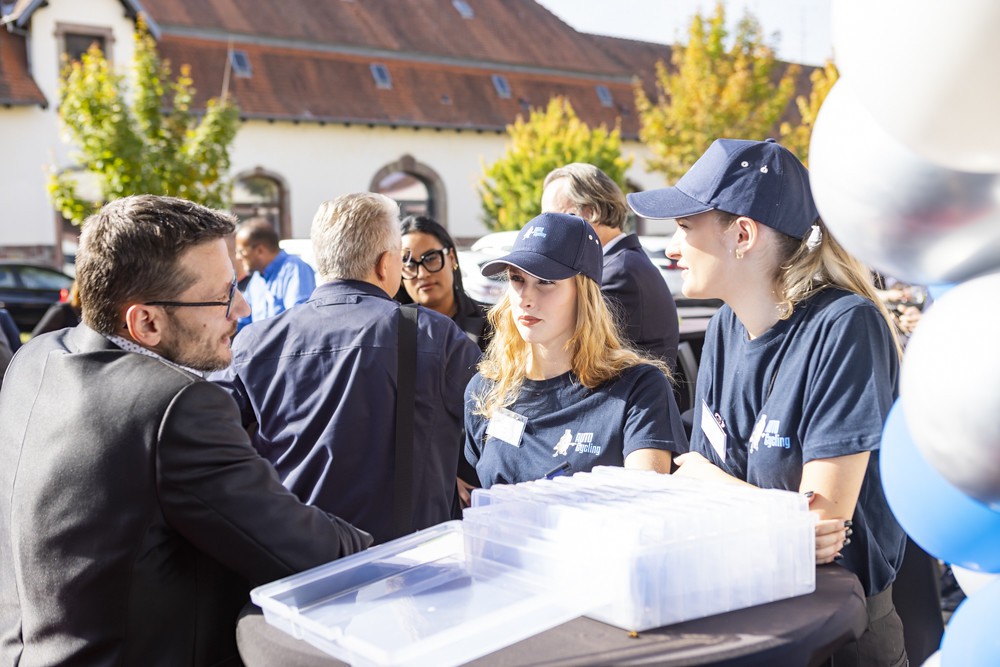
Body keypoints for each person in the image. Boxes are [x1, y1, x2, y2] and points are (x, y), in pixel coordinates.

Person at [0, 195, 371, 666]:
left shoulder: (36, 357)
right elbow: (308, 551)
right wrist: (391, 552)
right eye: (222, 295)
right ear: (147, 321)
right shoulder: (176, 406)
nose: (242, 306)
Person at [628, 138, 907, 667]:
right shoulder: (725, 328)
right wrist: (773, 515)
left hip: (837, 637)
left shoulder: (844, 327)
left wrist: (714, 486)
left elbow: (819, 528)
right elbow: (705, 507)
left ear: (742, 234)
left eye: (685, 227)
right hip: (744, 621)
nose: (670, 247)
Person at [214, 193, 480, 545]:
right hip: (407, 564)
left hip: (294, 561)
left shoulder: (254, 342)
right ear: (387, 264)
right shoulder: (434, 335)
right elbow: (493, 428)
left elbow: (210, 444)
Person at [464, 212, 687, 488]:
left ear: (583, 293)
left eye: (545, 281)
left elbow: (644, 503)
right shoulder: (486, 390)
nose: (526, 298)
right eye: (516, 279)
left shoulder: (639, 389)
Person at [542, 163, 679, 368]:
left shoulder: (618, 273)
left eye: (553, 218)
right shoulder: (622, 263)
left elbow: (576, 354)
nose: (547, 228)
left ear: (589, 213)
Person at [397, 215, 491, 352]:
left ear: (451, 257)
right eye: (409, 265)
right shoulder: (391, 331)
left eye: (430, 258)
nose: (423, 274)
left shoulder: (493, 323)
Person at [235, 217, 315, 330]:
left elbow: (298, 320)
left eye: (241, 251)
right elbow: (243, 321)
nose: (238, 257)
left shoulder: (294, 269)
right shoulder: (256, 280)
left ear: (260, 250)